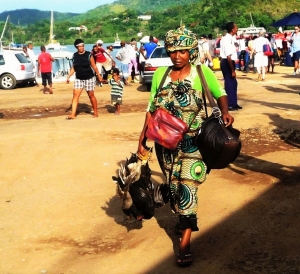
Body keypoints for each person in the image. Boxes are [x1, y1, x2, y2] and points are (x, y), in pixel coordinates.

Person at [137, 25, 234, 266]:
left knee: (188, 186)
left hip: (194, 142)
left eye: (182, 51)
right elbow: (152, 110)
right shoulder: (160, 74)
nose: (177, 56)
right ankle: (183, 218)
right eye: (173, 51)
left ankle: (185, 241)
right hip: (166, 142)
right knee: (173, 187)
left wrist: (225, 111)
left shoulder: (201, 72)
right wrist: (142, 141)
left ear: (191, 51)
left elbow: (220, 92)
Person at [65, 39, 102, 119]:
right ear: (76, 47)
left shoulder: (89, 55)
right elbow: (74, 67)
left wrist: (99, 75)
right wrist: (68, 76)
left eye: (82, 46)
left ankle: (95, 112)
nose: (81, 48)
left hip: (89, 78)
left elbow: (94, 66)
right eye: (79, 46)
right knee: (75, 96)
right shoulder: (75, 56)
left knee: (91, 95)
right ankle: (73, 114)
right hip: (79, 78)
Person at [220, 22, 242, 111]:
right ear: (232, 29)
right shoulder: (226, 39)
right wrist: (232, 70)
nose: (237, 29)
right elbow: (228, 56)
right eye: (236, 27)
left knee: (233, 83)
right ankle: (229, 104)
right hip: (227, 62)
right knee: (229, 84)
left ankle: (234, 103)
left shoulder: (231, 38)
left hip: (229, 62)